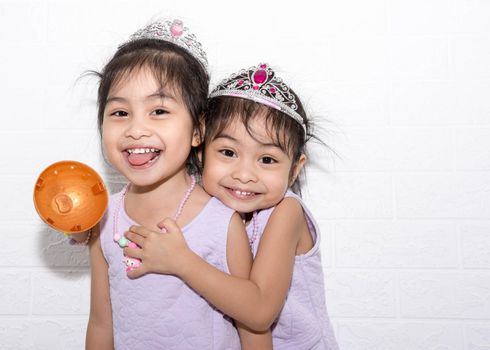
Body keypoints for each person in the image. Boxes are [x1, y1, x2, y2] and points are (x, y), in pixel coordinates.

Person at [123, 63, 339, 349]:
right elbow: (152, 208)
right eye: (228, 152)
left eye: (267, 160)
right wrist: (87, 228)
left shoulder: (286, 212)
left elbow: (260, 311)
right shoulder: (206, 204)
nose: (244, 174)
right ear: (200, 151)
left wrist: (181, 261)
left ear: (295, 169)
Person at [84, 20, 270, 350]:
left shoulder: (220, 221)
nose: (136, 129)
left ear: (198, 131)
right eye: (119, 112)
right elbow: (101, 321)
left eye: (158, 110)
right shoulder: (103, 217)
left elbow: (254, 330)